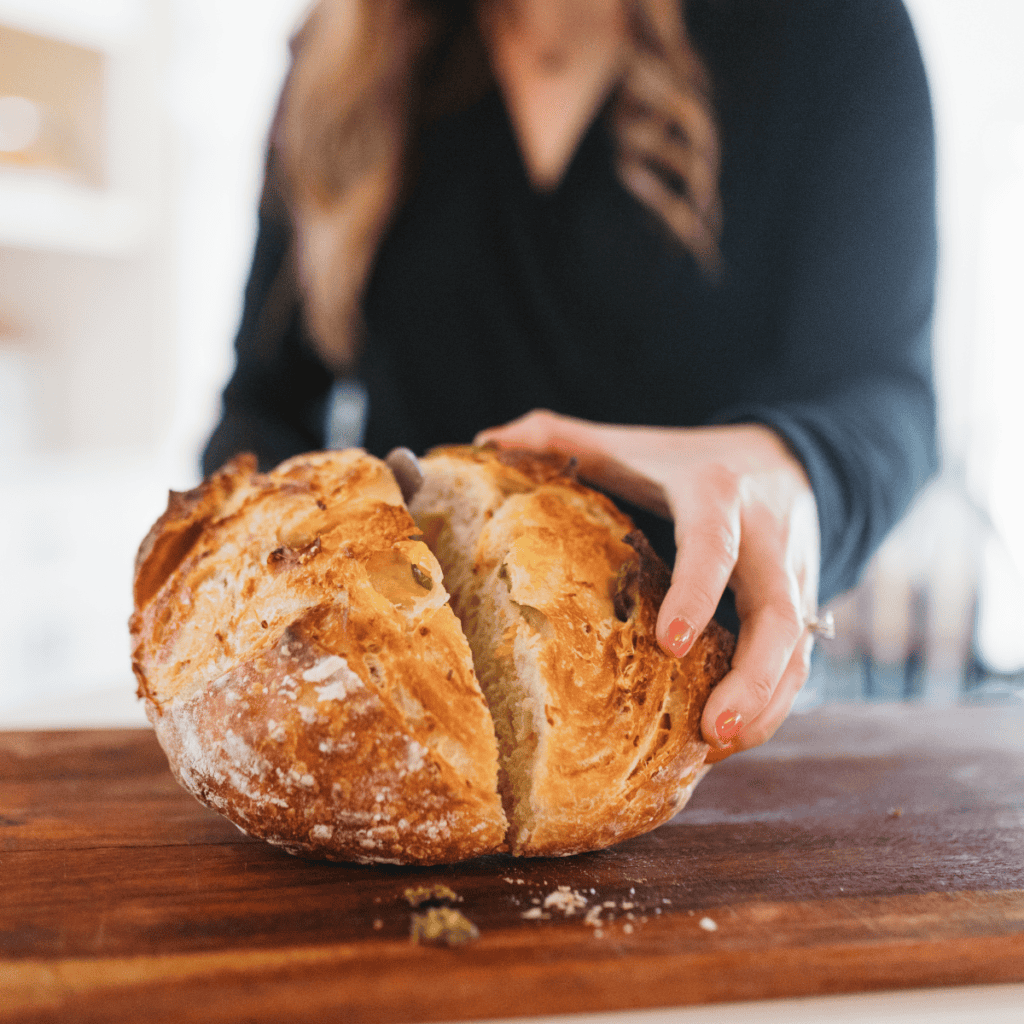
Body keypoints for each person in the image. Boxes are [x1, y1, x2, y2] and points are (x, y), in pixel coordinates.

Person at [203, 0, 938, 764]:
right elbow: (262, 406)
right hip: (399, 732)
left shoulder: (830, 27)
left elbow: (889, 396)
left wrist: (787, 468)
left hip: (713, 736)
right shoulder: (343, 57)